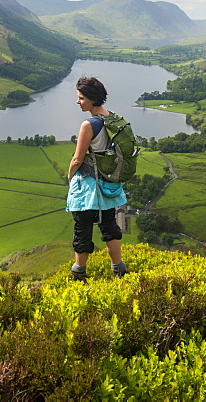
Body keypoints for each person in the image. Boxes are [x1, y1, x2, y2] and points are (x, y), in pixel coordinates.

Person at [66, 76, 128, 281]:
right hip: (108, 184)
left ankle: (79, 273)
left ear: (92, 99)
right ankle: (119, 269)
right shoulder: (114, 119)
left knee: (82, 230)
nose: (78, 102)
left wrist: (69, 177)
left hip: (87, 187)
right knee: (109, 226)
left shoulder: (89, 124)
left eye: (81, 98)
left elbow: (77, 158)